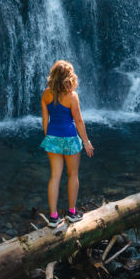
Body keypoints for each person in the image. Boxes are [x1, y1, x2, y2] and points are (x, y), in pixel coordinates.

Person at [40, 59, 94, 227]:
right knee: (73, 175)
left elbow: (45, 120)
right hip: (70, 139)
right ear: (69, 77)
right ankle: (72, 213)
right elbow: (78, 121)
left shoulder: (46, 94)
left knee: (55, 176)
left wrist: (49, 138)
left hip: (52, 138)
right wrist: (86, 142)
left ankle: (53, 217)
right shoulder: (72, 96)